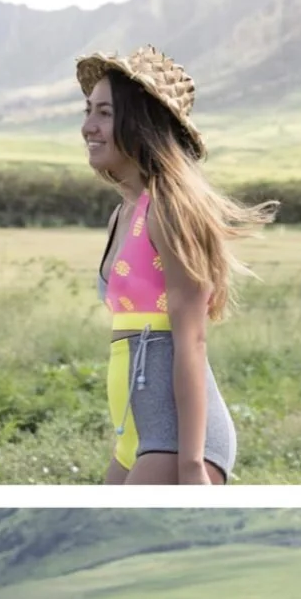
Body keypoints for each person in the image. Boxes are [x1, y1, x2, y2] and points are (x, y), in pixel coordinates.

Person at [78, 46, 276, 486]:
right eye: (89, 110)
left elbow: (193, 342)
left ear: (140, 122)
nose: (88, 126)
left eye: (105, 113)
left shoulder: (171, 210)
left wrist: (191, 467)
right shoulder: (124, 212)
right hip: (137, 432)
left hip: (180, 440)